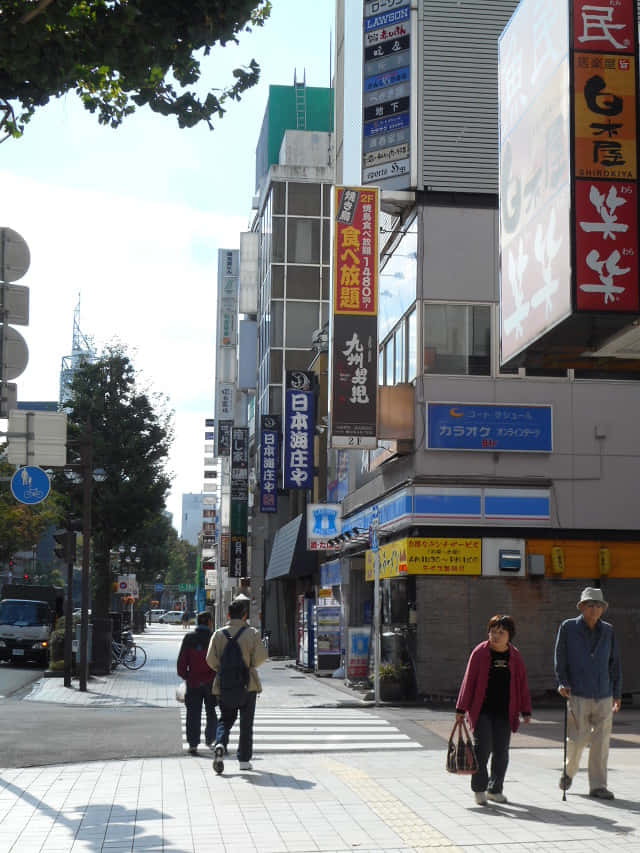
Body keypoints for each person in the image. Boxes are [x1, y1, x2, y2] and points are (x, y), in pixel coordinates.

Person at [456, 614, 532, 805]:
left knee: (501, 752)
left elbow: (522, 684)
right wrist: (461, 708)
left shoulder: (515, 656)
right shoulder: (480, 652)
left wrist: (526, 710)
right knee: (482, 750)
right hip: (482, 710)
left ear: (509, 635)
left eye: (501, 632)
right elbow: (469, 680)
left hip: (506, 712)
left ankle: (495, 789)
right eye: (493, 631)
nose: (496, 635)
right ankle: (479, 789)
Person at [554, 586, 622, 799]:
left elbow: (615, 663)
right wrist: (562, 681)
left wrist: (617, 693)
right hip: (578, 692)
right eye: (590, 605)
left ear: (603, 609)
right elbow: (560, 658)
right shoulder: (568, 628)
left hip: (604, 693)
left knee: (602, 742)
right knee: (577, 739)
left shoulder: (608, 630)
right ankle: (569, 772)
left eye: (598, 605)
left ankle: (598, 786)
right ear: (582, 607)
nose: (595, 609)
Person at [206, 595, 267, 773]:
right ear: (244, 615)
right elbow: (262, 657)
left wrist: (223, 669)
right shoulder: (252, 633)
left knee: (225, 719)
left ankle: (220, 744)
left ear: (227, 615)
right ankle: (244, 761)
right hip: (248, 685)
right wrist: (249, 665)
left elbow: (210, 659)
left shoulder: (218, 634)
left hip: (225, 684)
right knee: (246, 723)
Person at [177, 610, 217, 756]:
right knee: (211, 711)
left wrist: (185, 675)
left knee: (193, 713)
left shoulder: (189, 638)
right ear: (209, 622)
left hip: (193, 681)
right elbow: (219, 660)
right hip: (211, 681)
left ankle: (193, 744)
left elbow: (182, 661)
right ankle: (210, 738)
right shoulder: (214, 637)